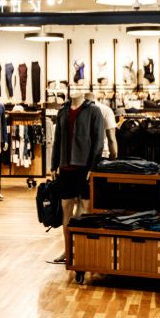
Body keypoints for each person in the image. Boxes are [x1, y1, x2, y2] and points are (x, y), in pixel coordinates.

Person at [48, 93, 105, 265]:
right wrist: (53, 164)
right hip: (65, 167)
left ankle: (83, 248)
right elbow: (57, 140)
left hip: (84, 167)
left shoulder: (94, 111)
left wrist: (93, 167)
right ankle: (68, 249)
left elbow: (99, 141)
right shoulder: (63, 111)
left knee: (85, 208)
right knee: (66, 207)